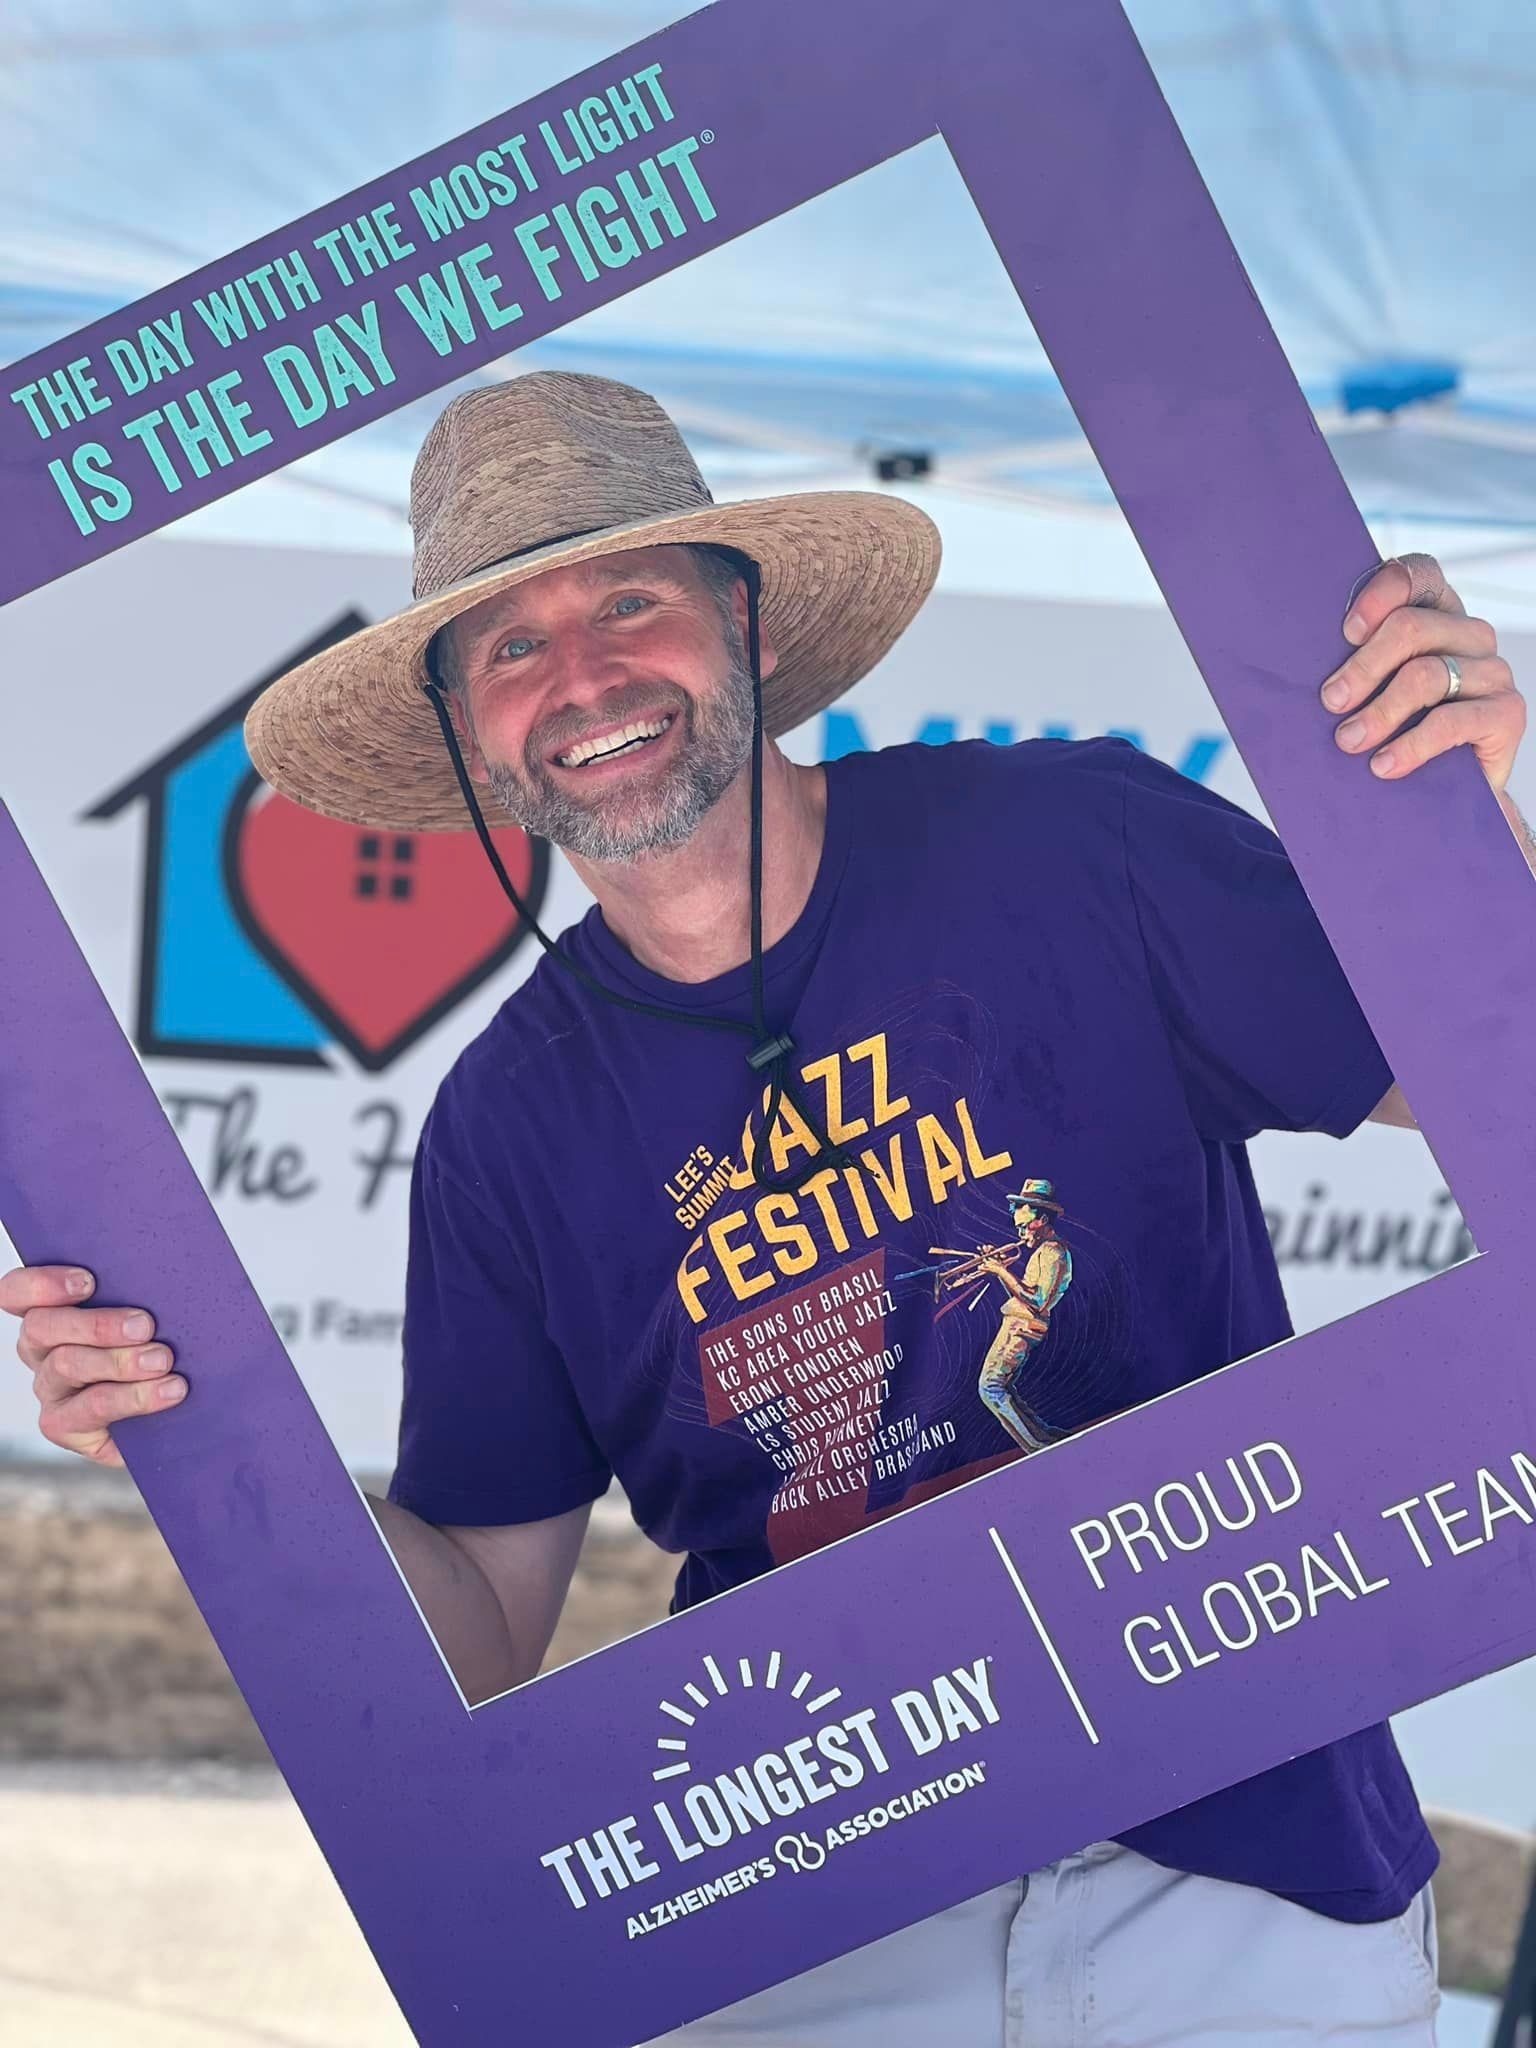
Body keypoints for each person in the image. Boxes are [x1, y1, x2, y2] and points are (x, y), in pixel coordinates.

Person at [5, 370, 1531, 2045]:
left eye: (630, 600)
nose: (581, 676)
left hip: (1248, 1849)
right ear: (467, 733)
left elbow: (1495, 1073)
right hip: (807, 1888)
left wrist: (1479, 809)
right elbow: (481, 1632)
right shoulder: (507, 1126)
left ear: (745, 624)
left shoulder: (1078, 843)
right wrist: (207, 1448)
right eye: (507, 646)